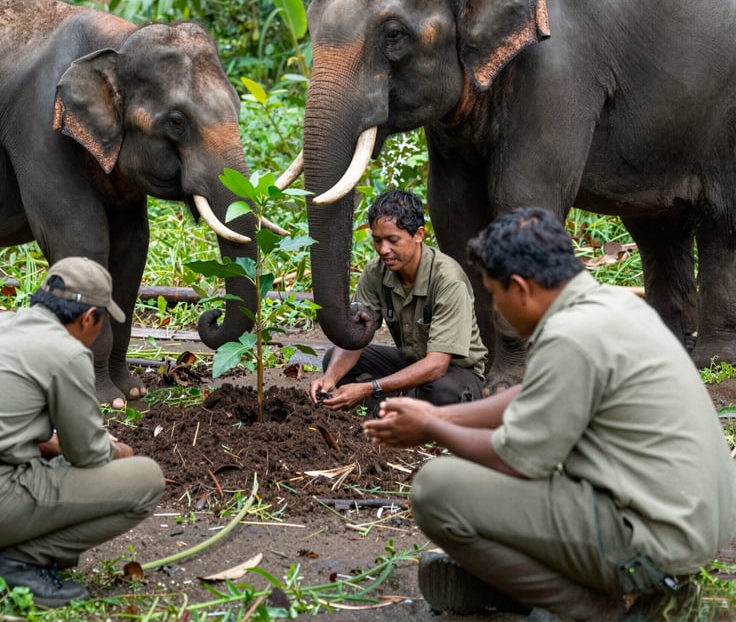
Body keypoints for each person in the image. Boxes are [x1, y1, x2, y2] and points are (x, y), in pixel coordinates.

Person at [363, 207, 736, 622]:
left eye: (495, 295)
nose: (497, 310)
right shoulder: (609, 304)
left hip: (652, 543)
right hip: (689, 525)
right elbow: (534, 393)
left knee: (436, 489)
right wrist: (446, 418)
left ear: (520, 288)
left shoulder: (568, 337)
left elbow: (514, 460)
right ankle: (538, 585)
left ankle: (597, 609)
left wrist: (431, 427)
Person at [0, 257, 165, 608]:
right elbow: (87, 453)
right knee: (146, 479)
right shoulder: (67, 352)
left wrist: (54, 443)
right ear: (89, 318)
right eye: (102, 322)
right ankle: (15, 561)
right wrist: (117, 451)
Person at [310, 189, 487, 415]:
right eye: (377, 240)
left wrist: (370, 388)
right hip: (410, 362)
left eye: (393, 240)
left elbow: (437, 364)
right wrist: (329, 379)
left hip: (454, 372)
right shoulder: (375, 272)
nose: (384, 250)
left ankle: (394, 407)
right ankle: (404, 406)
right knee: (334, 362)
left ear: (419, 235)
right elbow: (357, 338)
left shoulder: (448, 280)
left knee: (443, 392)